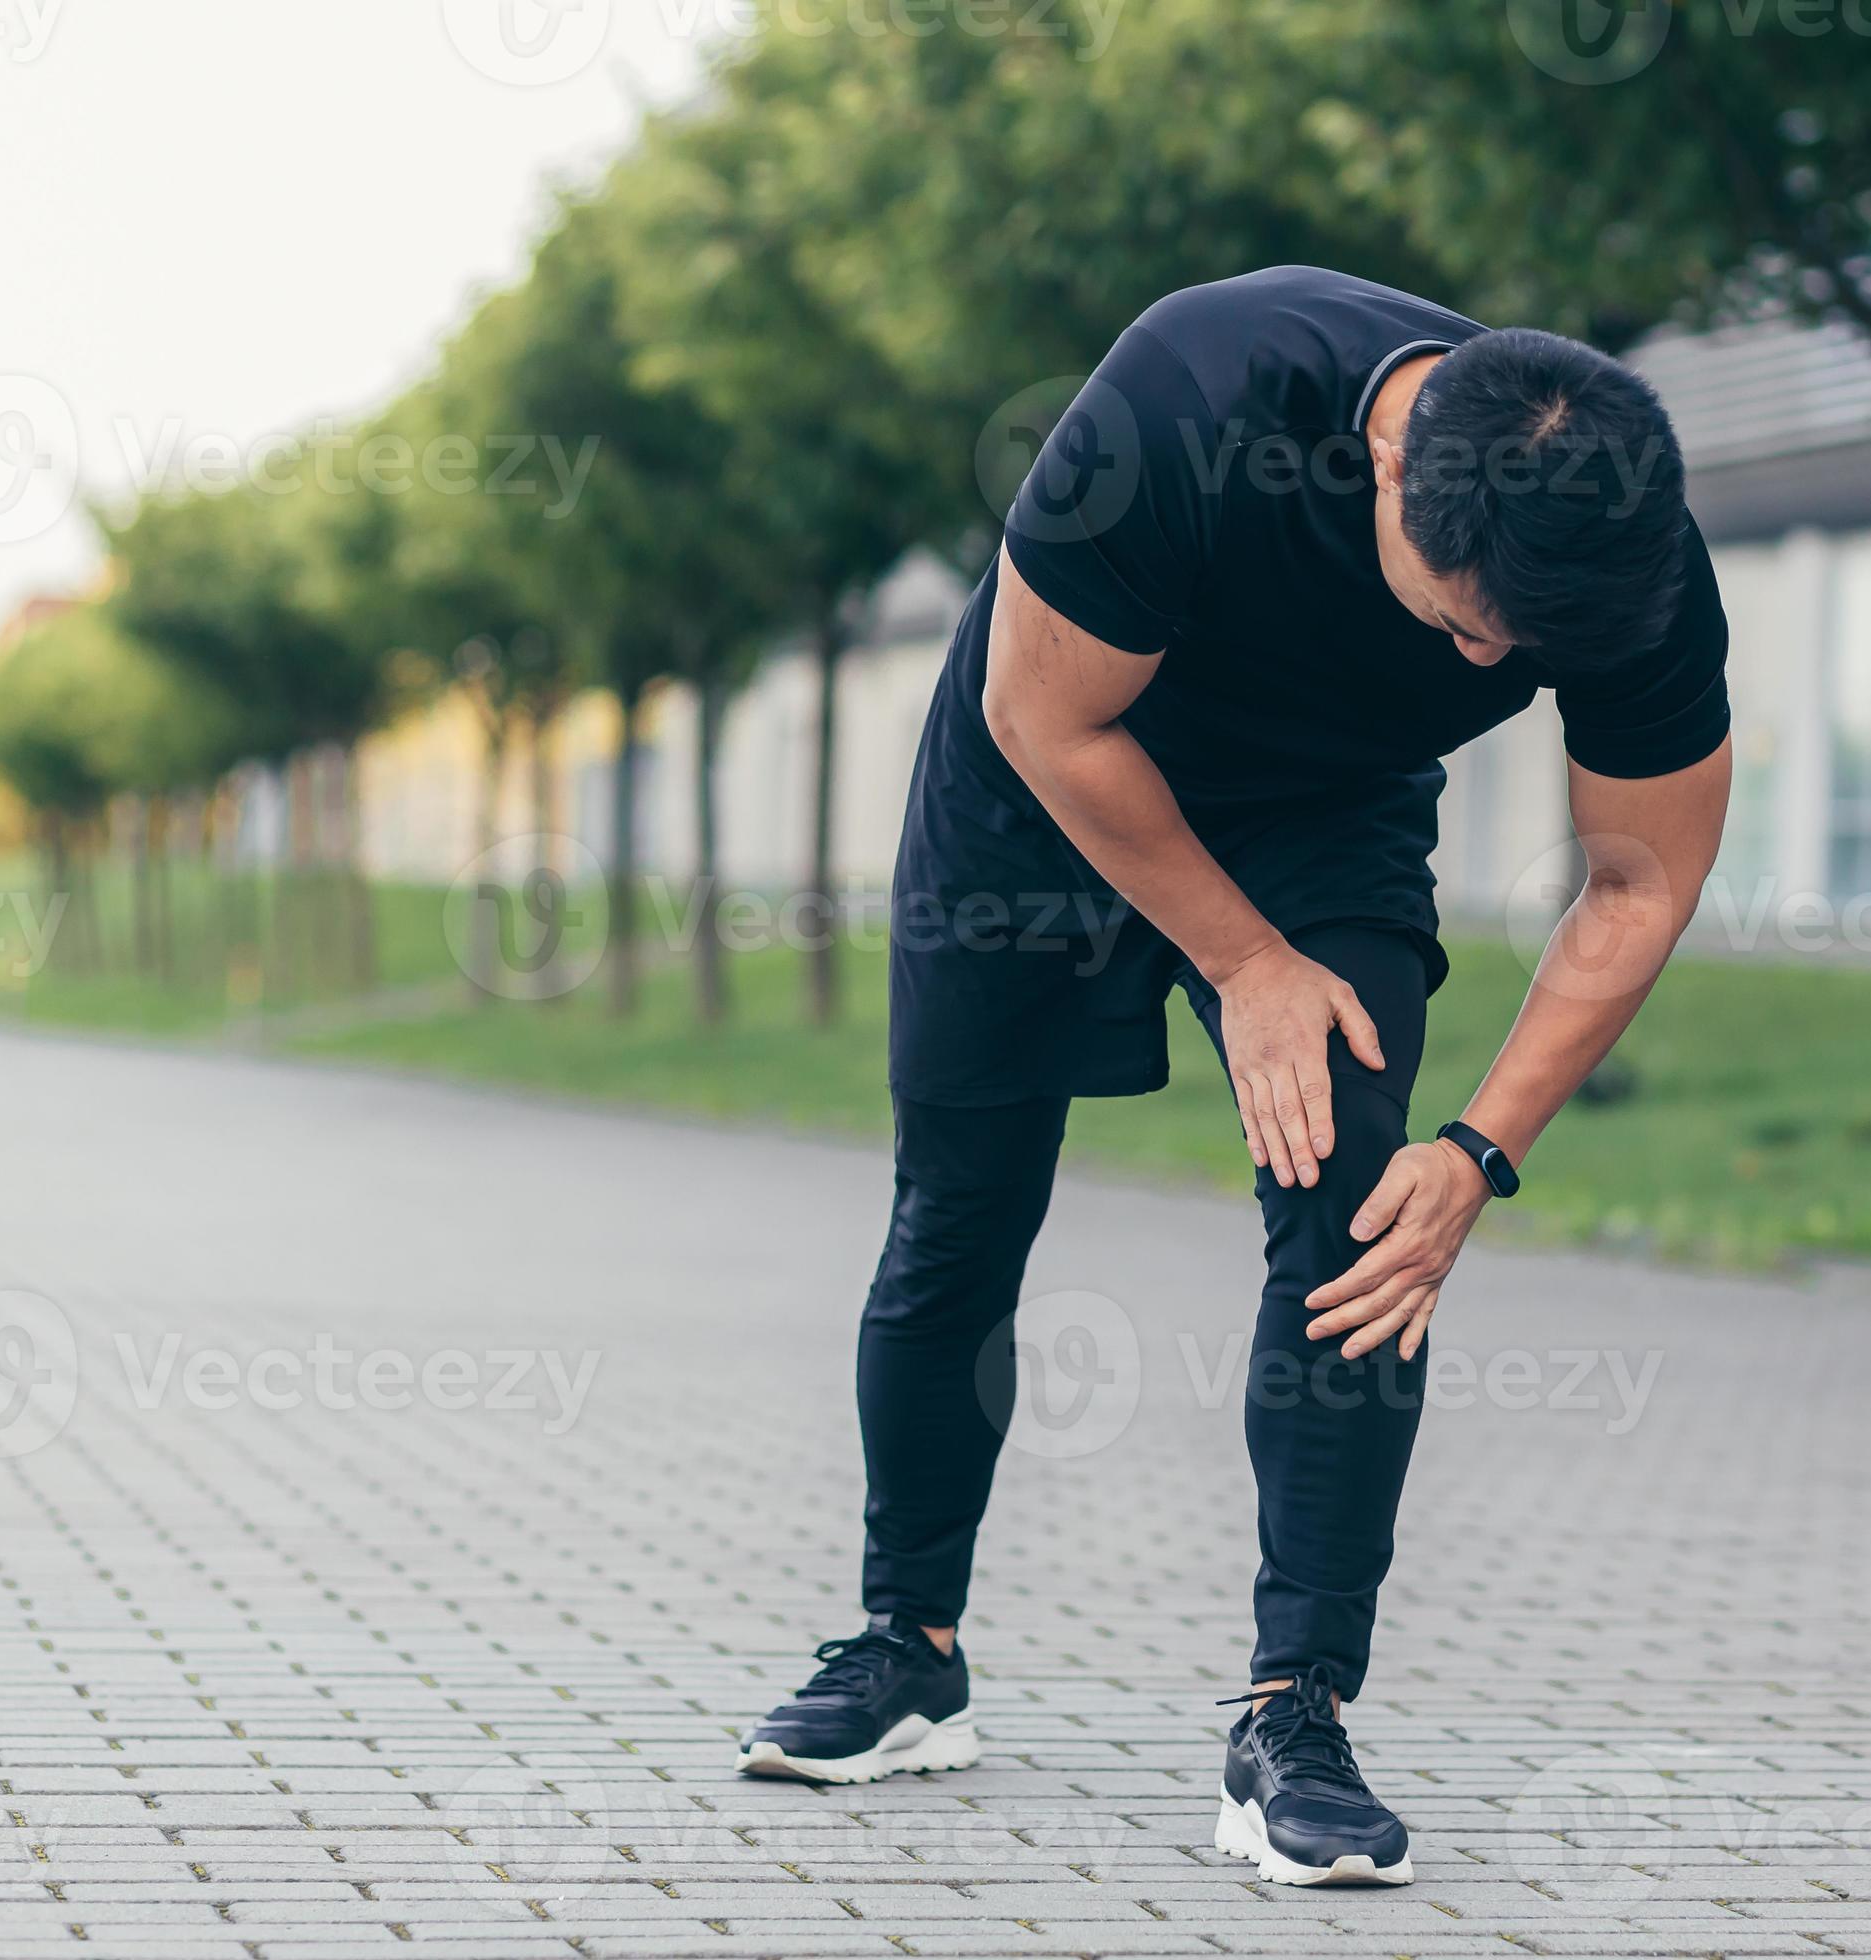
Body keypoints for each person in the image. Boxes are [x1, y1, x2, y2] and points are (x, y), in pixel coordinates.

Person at [736, 265, 1735, 1888]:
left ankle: (1297, 1717)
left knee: (1362, 1229)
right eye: (1474, 616)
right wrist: (1245, 962)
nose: (1493, 655)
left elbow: (1639, 879)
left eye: (1522, 648)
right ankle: (906, 1647)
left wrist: (1480, 1151)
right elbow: (1041, 712)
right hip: (1041, 786)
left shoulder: (1618, 562)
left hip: (1324, 810)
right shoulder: (1197, 393)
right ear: (1396, 473)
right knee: (962, 1211)